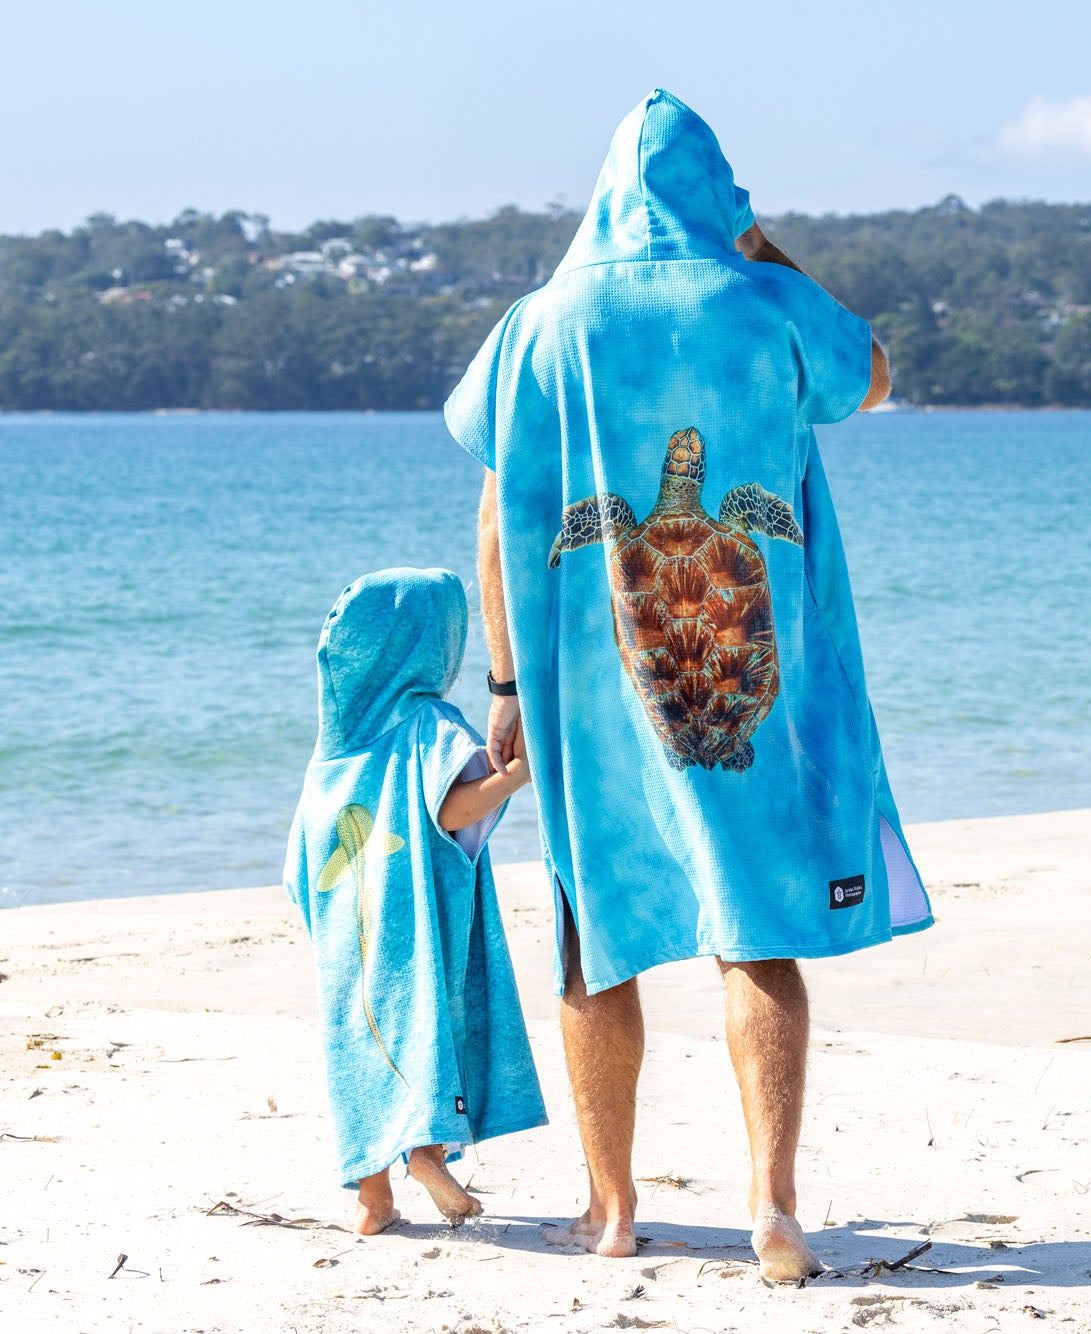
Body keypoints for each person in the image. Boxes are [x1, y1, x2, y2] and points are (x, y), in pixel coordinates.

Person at [442, 91, 932, 1276]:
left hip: (590, 694)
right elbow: (873, 374)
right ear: (720, 196)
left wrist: (502, 682)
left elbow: (499, 518)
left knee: (591, 938)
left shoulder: (537, 325)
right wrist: (760, 246)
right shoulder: (764, 301)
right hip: (756, 690)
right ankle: (773, 1207)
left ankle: (610, 1210)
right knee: (754, 930)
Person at [283, 567, 545, 1237]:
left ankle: (373, 1198)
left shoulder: (338, 739)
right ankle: (427, 1152)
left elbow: (301, 857)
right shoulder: (431, 721)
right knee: (426, 1023)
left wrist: (319, 916)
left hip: (347, 930)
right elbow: (450, 809)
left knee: (359, 1041)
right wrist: (518, 774)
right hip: (420, 923)